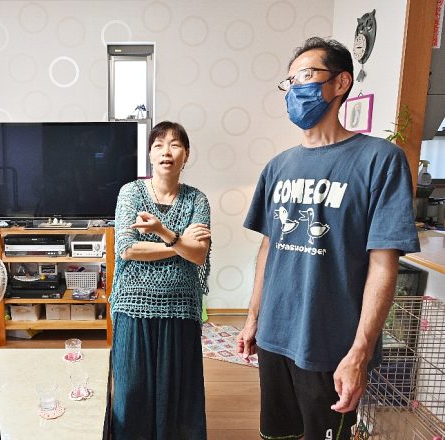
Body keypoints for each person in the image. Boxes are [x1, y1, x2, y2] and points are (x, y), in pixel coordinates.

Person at [237, 36, 420, 440]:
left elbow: (383, 262)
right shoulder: (277, 167)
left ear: (341, 83)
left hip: (330, 345)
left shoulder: (379, 160)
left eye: (305, 76)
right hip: (274, 338)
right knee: (277, 435)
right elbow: (268, 248)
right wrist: (252, 320)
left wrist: (360, 352)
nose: (294, 90)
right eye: (289, 82)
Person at [110, 121, 212, 440]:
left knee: (178, 394)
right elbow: (127, 248)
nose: (166, 151)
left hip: (181, 308)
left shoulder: (197, 200)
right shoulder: (131, 193)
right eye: (158, 145)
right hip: (132, 305)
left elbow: (199, 255)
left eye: (175, 144)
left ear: (186, 155)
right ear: (150, 155)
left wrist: (163, 232)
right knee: (132, 392)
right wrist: (180, 245)